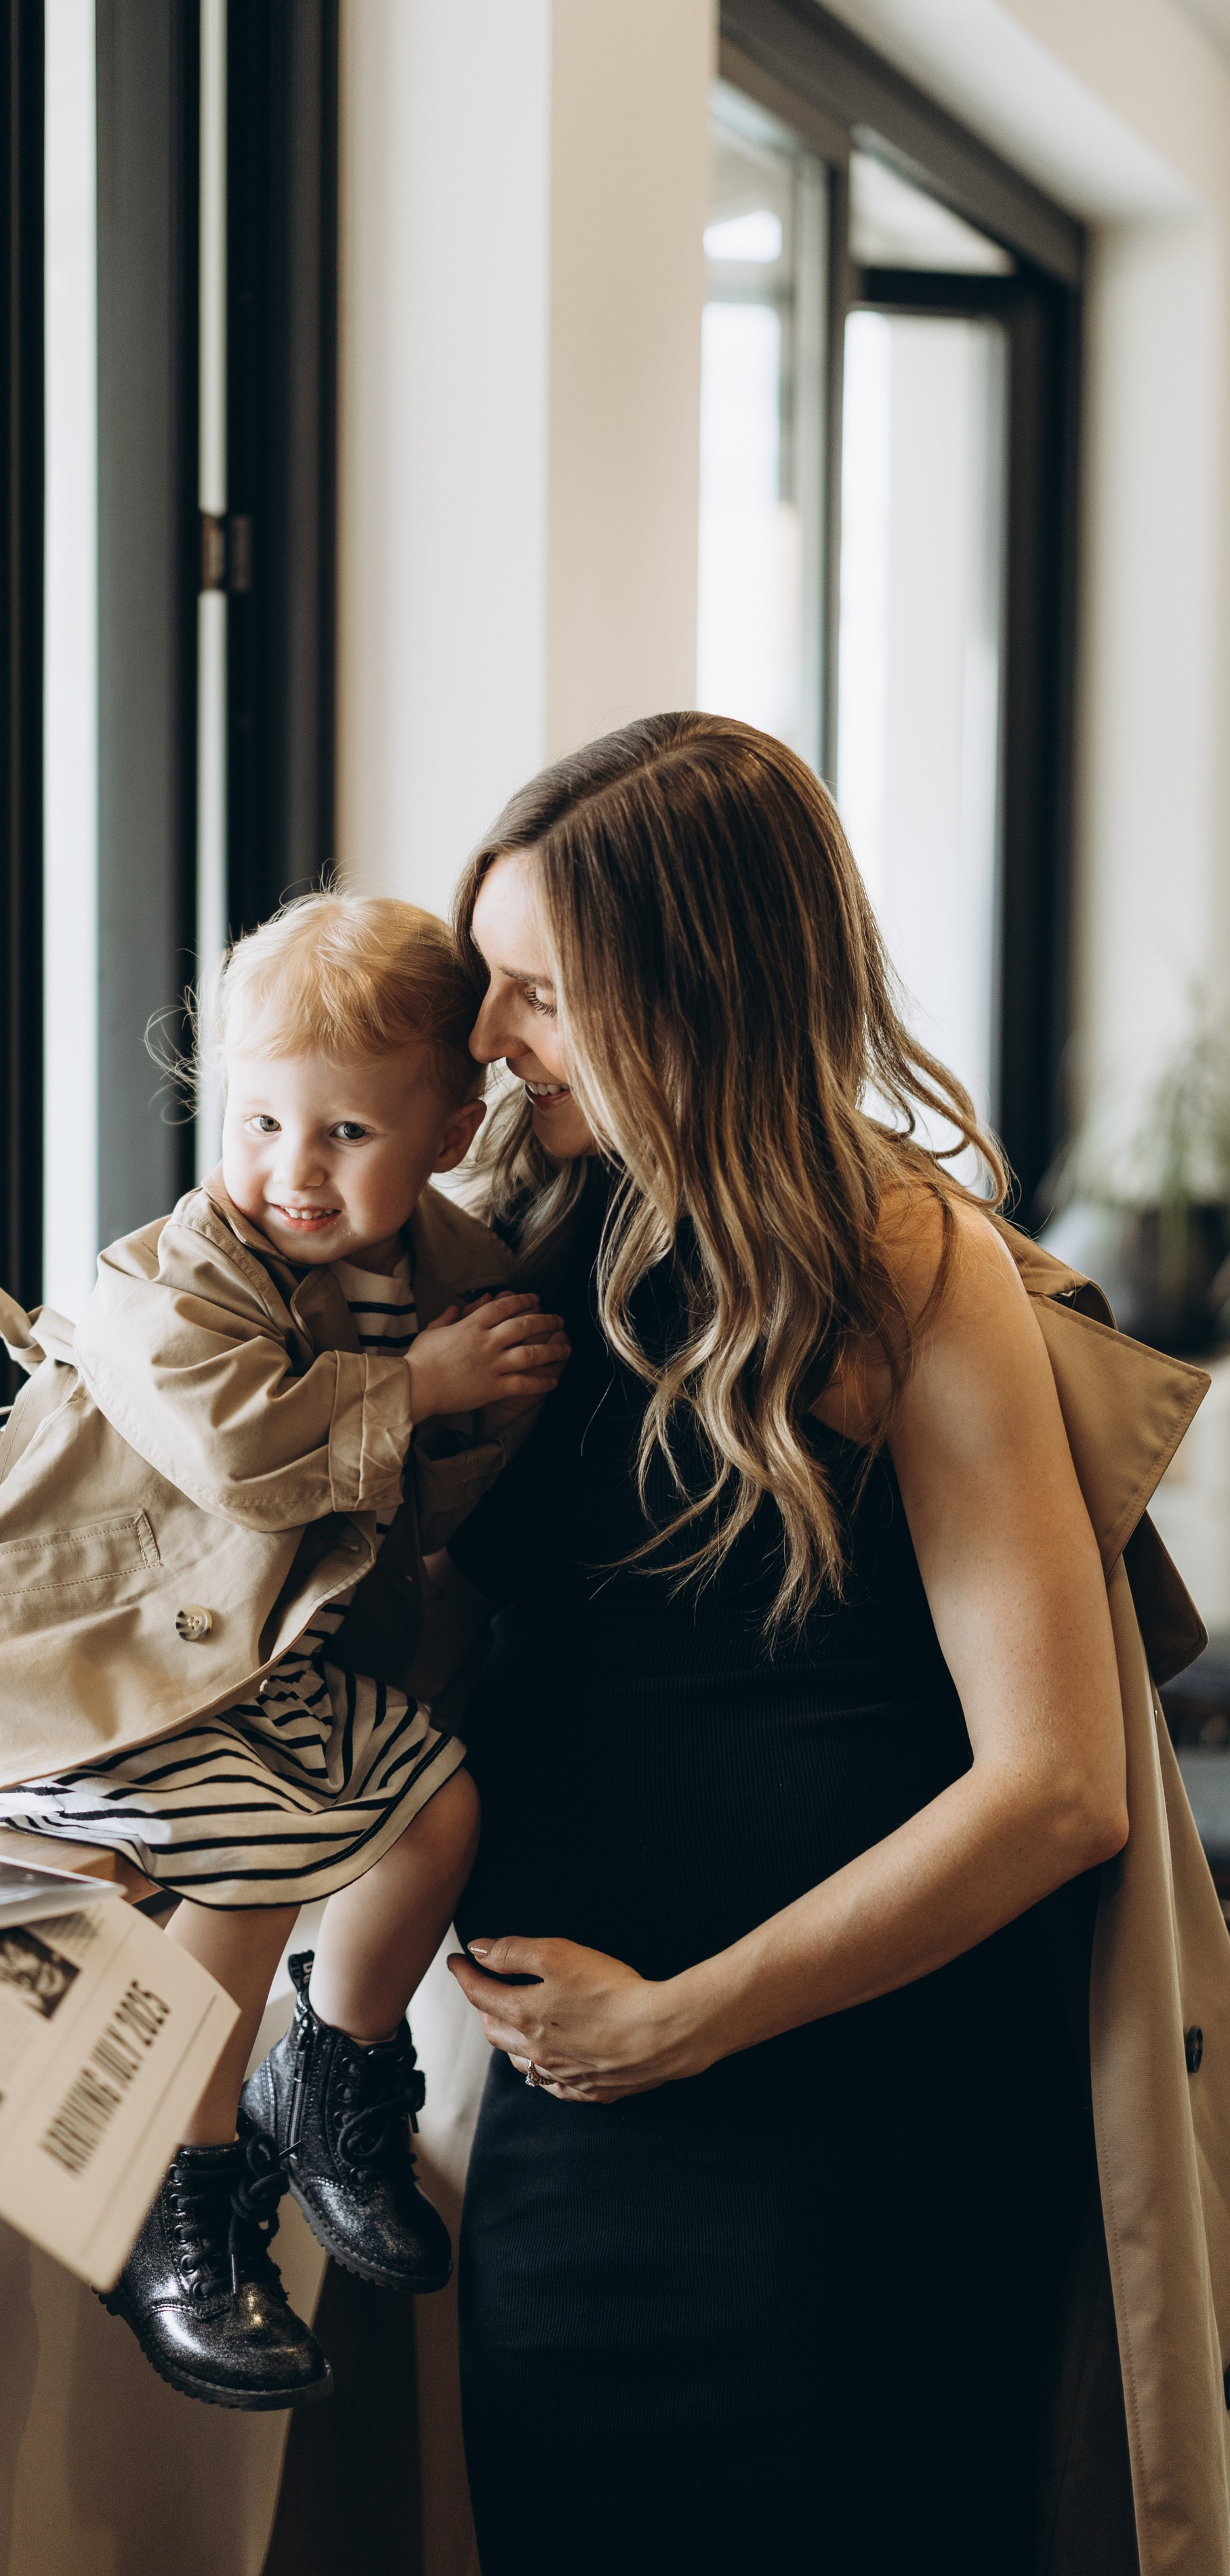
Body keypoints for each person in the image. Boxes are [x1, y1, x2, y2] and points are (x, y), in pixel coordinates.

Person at [436, 714, 1145, 2573]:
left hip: (852, 2144)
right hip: (576, 2133)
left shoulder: (904, 1259)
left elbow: (1058, 1788)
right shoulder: (523, 1229)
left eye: (543, 996)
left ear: (700, 994)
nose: (494, 1040)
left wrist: (681, 2021)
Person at [0, 892, 568, 2411]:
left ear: (449, 1127)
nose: (291, 1171)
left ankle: (329, 2077)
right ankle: (178, 2184)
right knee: (256, 1853)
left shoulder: (455, 1269)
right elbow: (239, 1456)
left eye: (346, 1133)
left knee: (441, 1811)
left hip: (249, 1659)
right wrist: (414, 1388)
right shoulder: (166, 1280)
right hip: (99, 1649)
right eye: (260, 1120)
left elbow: (450, 1500)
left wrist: (481, 1399)